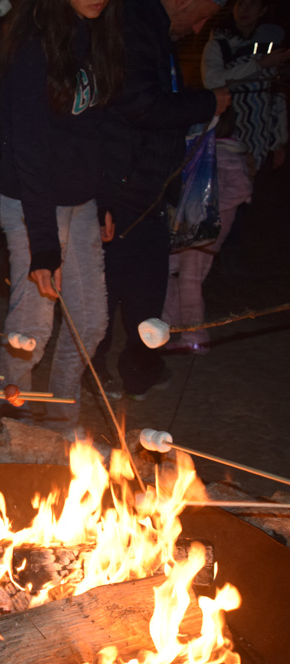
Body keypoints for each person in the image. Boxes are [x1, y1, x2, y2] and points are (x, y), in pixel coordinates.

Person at [0, 0, 123, 428]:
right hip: (31, 203)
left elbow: (99, 129)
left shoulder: (98, 37)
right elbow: (27, 149)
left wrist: (106, 198)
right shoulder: (32, 47)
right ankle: (11, 416)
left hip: (81, 203)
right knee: (32, 329)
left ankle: (63, 419)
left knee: (90, 321)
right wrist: (44, 245)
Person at [93, 0, 230, 401]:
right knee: (110, 288)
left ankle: (140, 369)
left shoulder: (156, 31)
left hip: (148, 189)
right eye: (202, 13)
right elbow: (139, 104)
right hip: (124, 184)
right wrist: (206, 102)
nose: (199, 26)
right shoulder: (133, 26)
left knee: (146, 290)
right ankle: (94, 371)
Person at [162, 109, 254, 353]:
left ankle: (195, 336)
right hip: (192, 229)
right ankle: (173, 327)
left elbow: (242, 189)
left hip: (207, 232)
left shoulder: (224, 155)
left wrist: (208, 208)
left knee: (189, 281)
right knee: (163, 270)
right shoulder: (204, 151)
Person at [201, 0, 289, 173]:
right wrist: (259, 65)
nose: (245, 9)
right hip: (227, 130)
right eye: (240, 3)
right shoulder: (219, 43)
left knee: (249, 186)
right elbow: (212, 81)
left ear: (263, 9)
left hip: (260, 134)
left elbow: (275, 93)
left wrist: (279, 140)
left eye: (253, 3)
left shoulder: (270, 43)